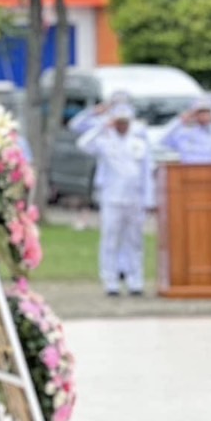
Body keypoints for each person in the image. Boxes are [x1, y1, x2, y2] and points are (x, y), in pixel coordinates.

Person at [77, 103, 155, 297]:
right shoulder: (105, 141)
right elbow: (83, 144)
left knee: (135, 241)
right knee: (110, 240)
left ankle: (135, 281)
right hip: (112, 198)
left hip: (135, 198)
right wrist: (103, 126)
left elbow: (146, 173)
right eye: (118, 122)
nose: (122, 126)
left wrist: (149, 200)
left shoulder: (139, 142)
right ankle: (110, 282)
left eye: (125, 122)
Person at [159, 98, 211, 165]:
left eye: (206, 112)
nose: (204, 115)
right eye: (200, 112)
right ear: (194, 114)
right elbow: (163, 140)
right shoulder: (185, 134)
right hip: (190, 177)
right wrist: (180, 121)